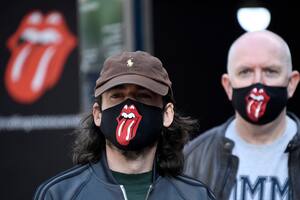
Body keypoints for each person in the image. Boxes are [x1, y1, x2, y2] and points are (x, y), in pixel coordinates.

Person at [34, 51, 215, 200]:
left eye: (143, 96)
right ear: (98, 114)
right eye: (117, 96)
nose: (129, 106)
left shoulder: (195, 196)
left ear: (167, 114)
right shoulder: (59, 194)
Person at [183, 30, 300, 200]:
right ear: (228, 86)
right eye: (245, 72)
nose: (257, 83)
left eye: (271, 71)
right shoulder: (193, 159)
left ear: (291, 83)